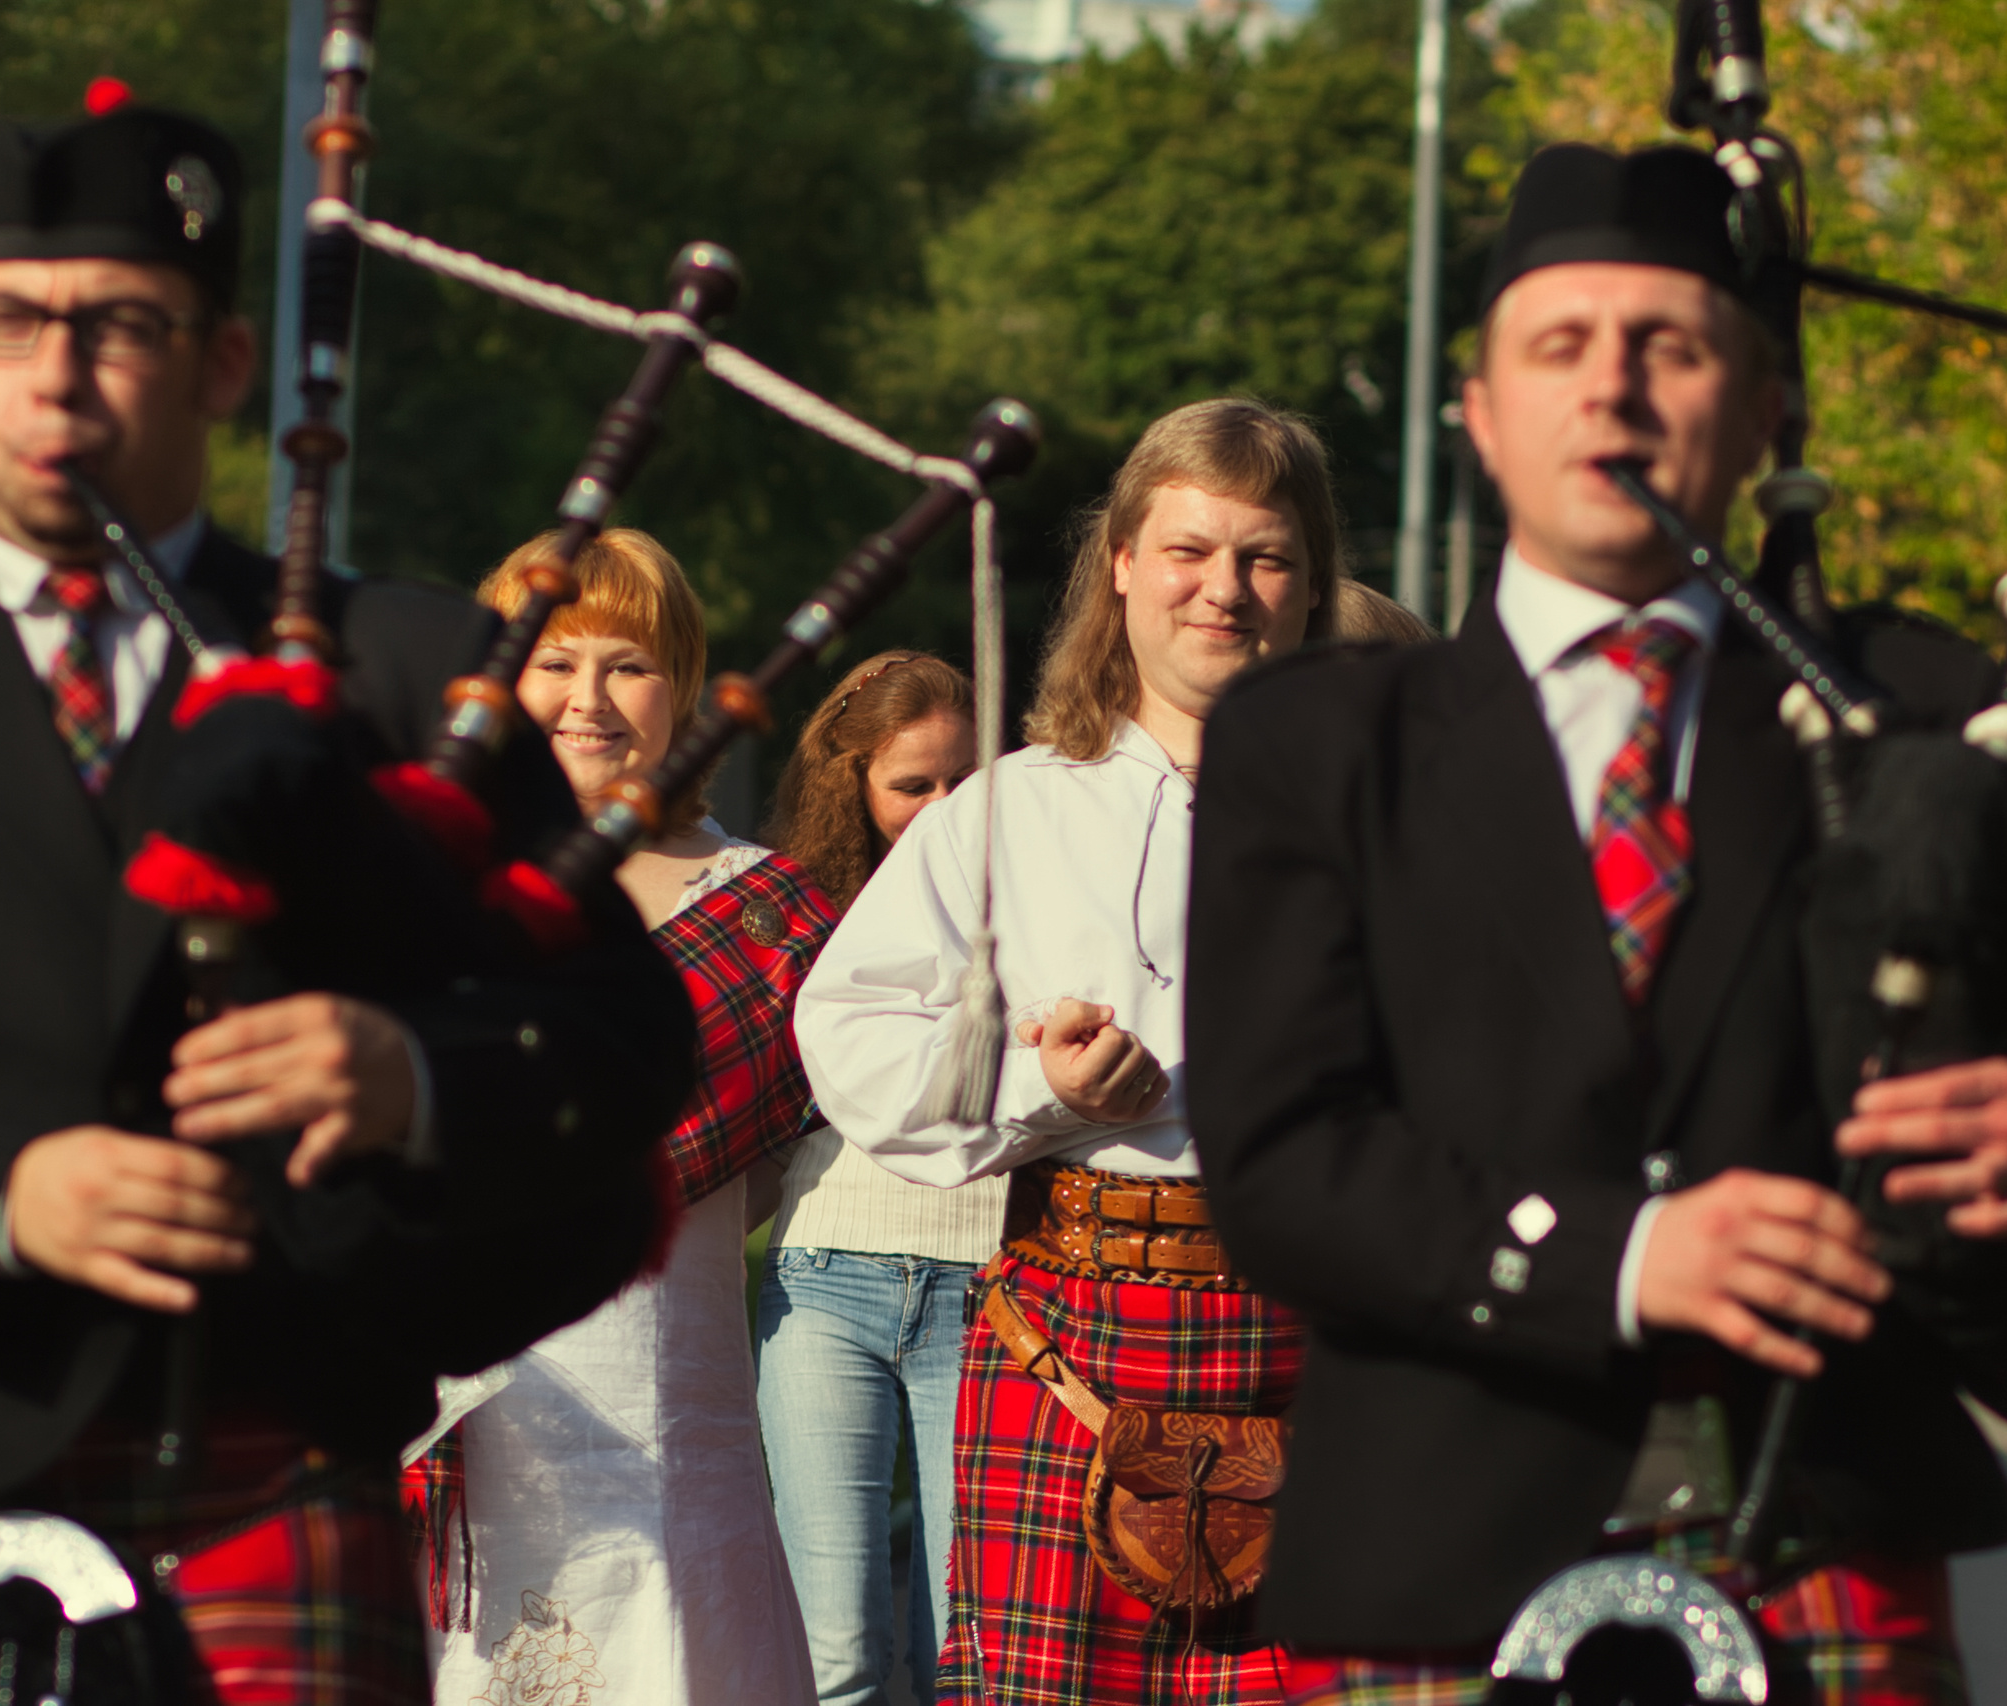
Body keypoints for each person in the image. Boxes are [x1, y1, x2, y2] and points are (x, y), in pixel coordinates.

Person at [0, 93, 688, 1706]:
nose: (57, 375)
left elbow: (629, 1044)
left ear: (221, 366)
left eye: (121, 324)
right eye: (12, 322)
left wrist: (409, 1072)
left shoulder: (420, 680)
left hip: (272, 1460)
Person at [1187, 143, 2007, 1704]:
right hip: (1436, 1563)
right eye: (1560, 345)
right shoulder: (1321, 741)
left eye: (1668, 345)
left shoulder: (1919, 708)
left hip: (1827, 1535)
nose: (1611, 389)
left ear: (1764, 410)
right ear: (1478, 412)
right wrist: (1628, 1255)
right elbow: (1278, 1160)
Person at [797, 398, 1365, 1706]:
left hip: (1313, 1342)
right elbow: (848, 1031)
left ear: (1312, 582)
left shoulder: (1389, 812)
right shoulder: (1011, 807)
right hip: (1069, 1351)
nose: (1224, 588)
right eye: (1188, 550)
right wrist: (1031, 1089)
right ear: (1120, 562)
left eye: (1265, 557)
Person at [414, 527, 827, 1706]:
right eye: (555, 658)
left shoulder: (766, 912)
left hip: (664, 1444)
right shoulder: (421, 883)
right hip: (460, 1433)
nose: (588, 697)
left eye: (629, 664)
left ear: (684, 690)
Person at [754, 650, 995, 1706]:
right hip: (825, 1275)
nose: (943, 807)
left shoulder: (1035, 885)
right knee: (835, 1654)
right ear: (849, 783)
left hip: (986, 1288)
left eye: (963, 778)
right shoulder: (796, 906)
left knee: (962, 1653)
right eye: (911, 784)